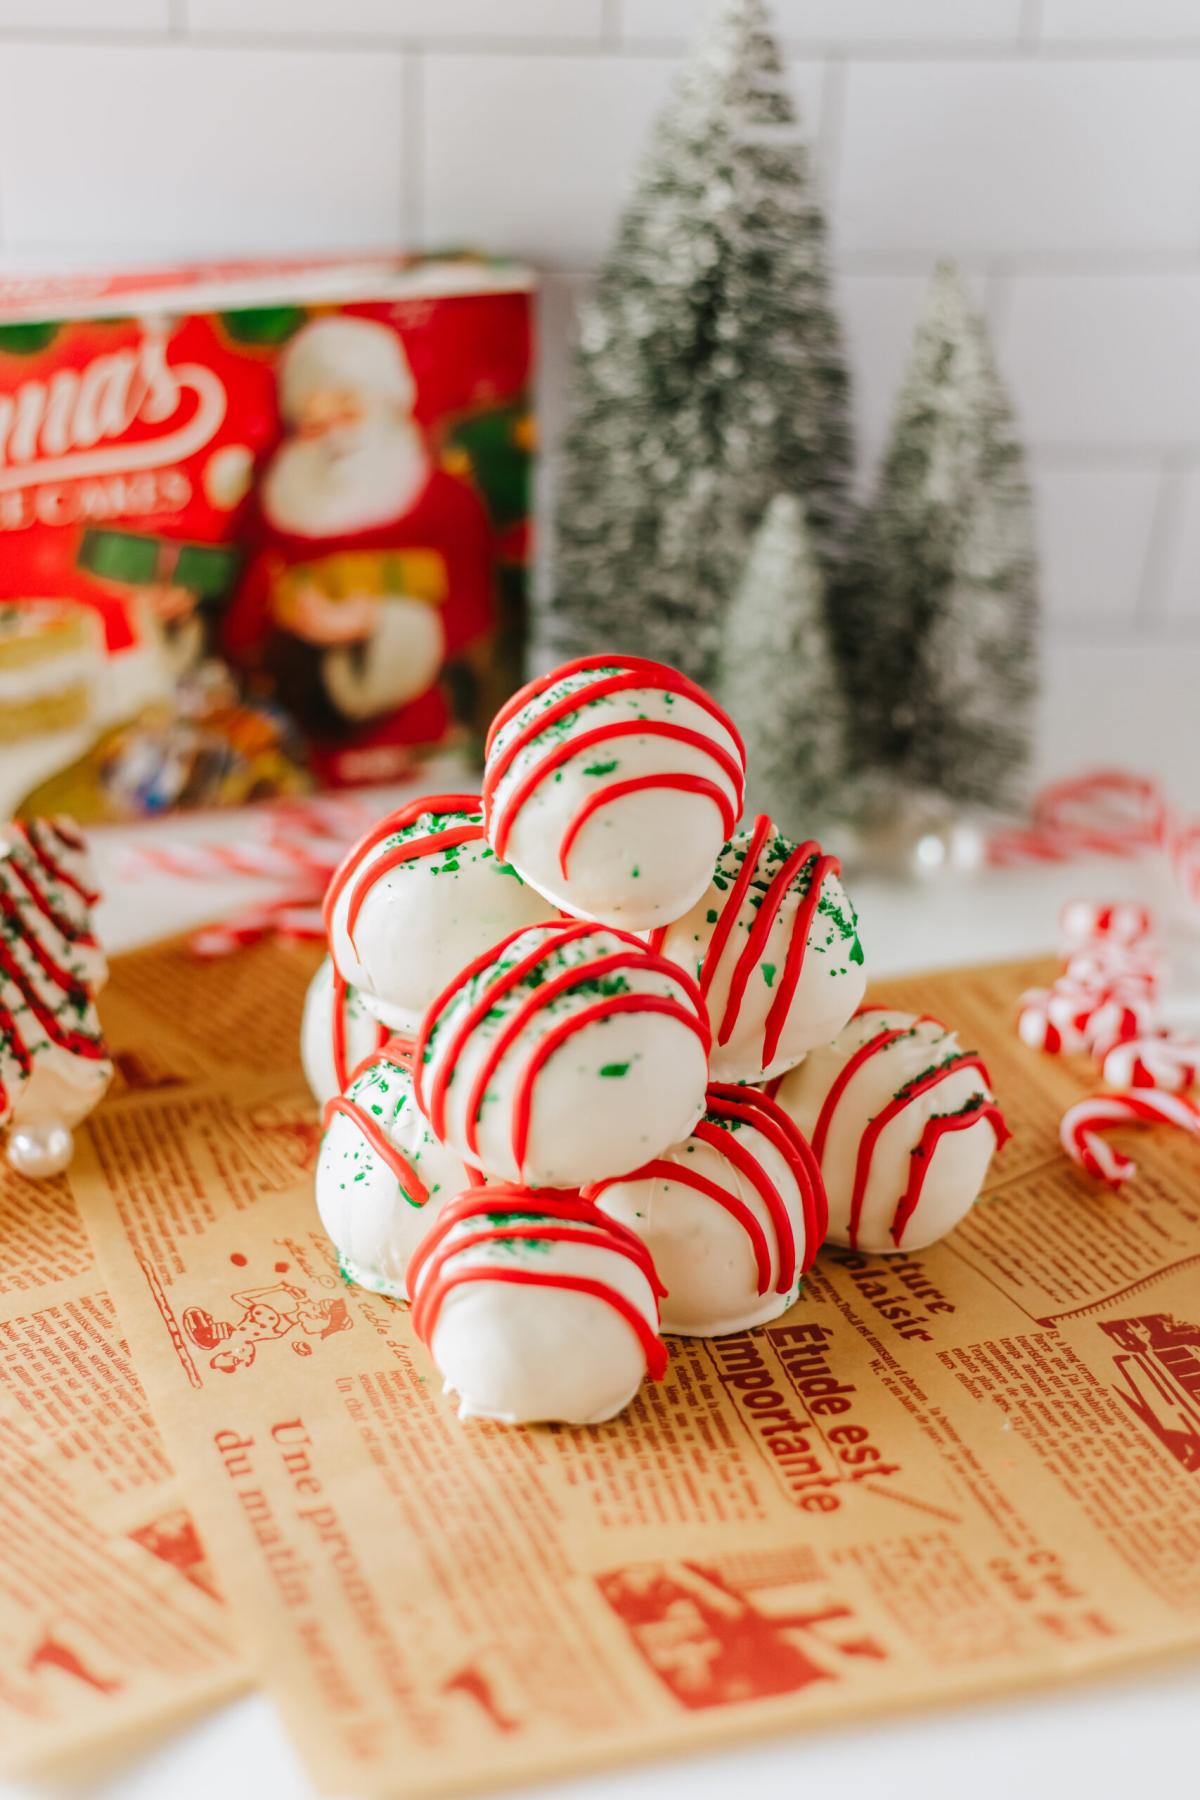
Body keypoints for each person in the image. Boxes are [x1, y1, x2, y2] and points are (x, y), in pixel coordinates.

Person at [224, 315, 493, 783]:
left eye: (347, 413)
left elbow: (474, 612)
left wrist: (377, 623)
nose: (333, 434)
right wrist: (275, 613)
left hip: (419, 739)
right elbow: (240, 622)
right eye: (313, 422)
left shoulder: (443, 499)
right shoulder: (275, 503)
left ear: (385, 406)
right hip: (296, 743)